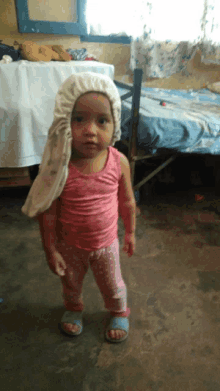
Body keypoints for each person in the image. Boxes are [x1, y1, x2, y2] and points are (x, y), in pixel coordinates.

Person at [22, 72, 136, 343]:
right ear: (64, 123)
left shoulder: (118, 163)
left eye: (102, 120)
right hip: (69, 245)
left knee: (113, 285)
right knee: (70, 284)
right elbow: (47, 210)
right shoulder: (59, 167)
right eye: (79, 119)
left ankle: (119, 310)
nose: (91, 131)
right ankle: (74, 308)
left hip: (106, 244)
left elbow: (127, 201)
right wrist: (50, 249)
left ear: (114, 123)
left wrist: (130, 233)